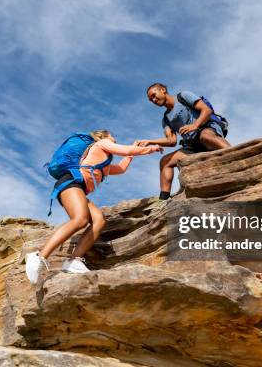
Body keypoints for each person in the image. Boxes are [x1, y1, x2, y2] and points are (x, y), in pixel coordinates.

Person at [25, 130, 162, 284]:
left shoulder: (105, 162)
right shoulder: (101, 144)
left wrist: (131, 152)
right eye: (112, 136)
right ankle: (39, 256)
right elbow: (126, 150)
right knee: (80, 219)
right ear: (103, 136)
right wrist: (151, 148)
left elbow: (122, 168)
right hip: (71, 182)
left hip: (79, 188)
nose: (114, 139)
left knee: (99, 220)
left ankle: (73, 261)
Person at [137, 83, 231, 200]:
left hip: (207, 129)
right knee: (165, 162)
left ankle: (236, 156)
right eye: (151, 99)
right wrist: (149, 141)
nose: (154, 100)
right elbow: (171, 141)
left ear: (163, 90)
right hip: (193, 145)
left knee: (205, 136)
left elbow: (206, 110)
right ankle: (163, 200)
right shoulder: (166, 119)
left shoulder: (183, 96)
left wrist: (195, 125)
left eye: (154, 95)